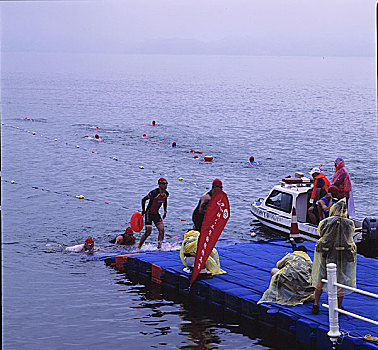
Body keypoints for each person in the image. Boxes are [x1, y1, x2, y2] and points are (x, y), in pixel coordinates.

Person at [311, 198, 357, 314]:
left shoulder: (326, 221)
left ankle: (316, 304)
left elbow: (321, 233)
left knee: (321, 277)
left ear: (334, 209)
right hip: (342, 254)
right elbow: (350, 236)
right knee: (340, 280)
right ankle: (339, 306)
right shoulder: (349, 223)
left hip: (326, 253)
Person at [138, 178, 169, 249]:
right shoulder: (154, 193)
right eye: (163, 183)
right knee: (148, 232)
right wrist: (143, 210)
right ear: (159, 184)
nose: (165, 185)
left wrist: (165, 211)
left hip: (156, 214)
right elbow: (143, 199)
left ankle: (159, 247)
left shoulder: (166, 194)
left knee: (162, 230)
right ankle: (139, 247)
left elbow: (165, 202)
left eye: (166, 183)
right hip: (149, 213)